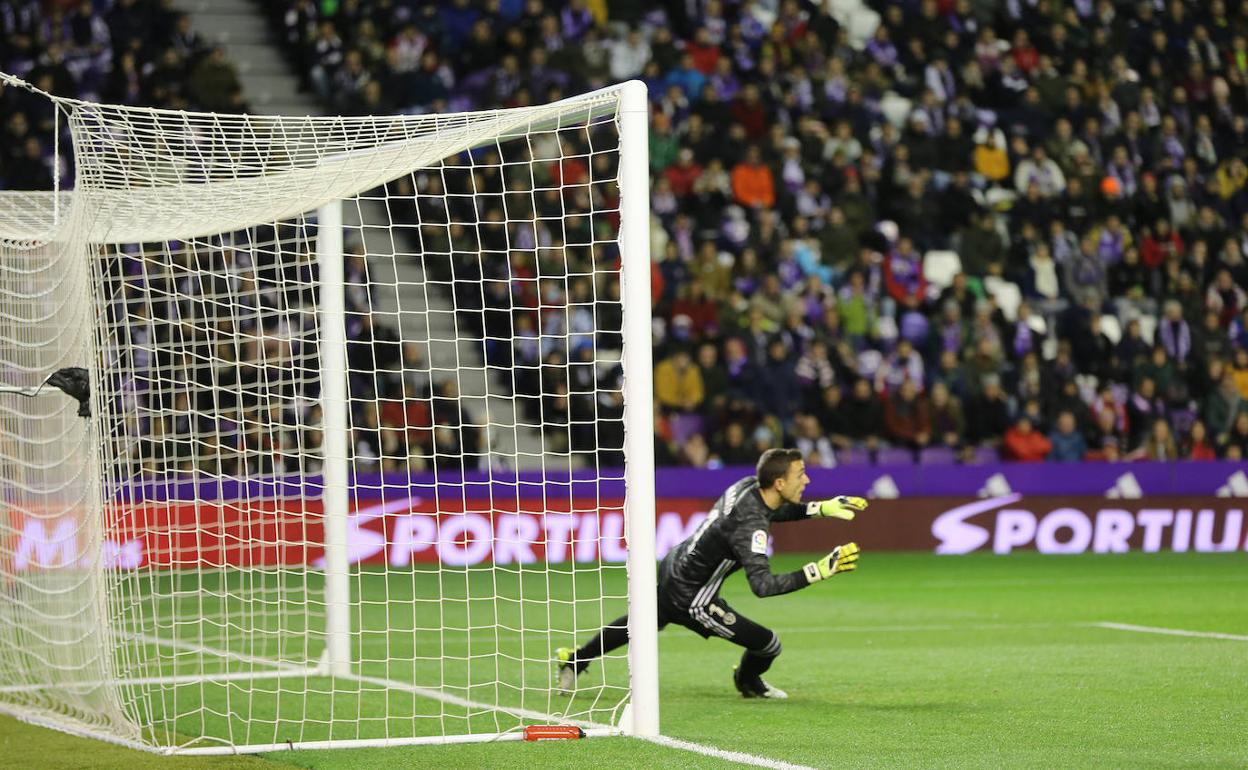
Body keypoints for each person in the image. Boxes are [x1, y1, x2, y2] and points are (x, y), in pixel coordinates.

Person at [555, 449, 865, 699]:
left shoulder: (748, 486)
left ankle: (576, 658)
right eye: (800, 474)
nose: (807, 480)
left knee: (644, 621)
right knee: (768, 644)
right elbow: (763, 585)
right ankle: (747, 681)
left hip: (675, 563)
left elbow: (771, 510)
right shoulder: (750, 527)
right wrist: (819, 570)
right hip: (692, 597)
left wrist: (820, 509)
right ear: (779, 483)